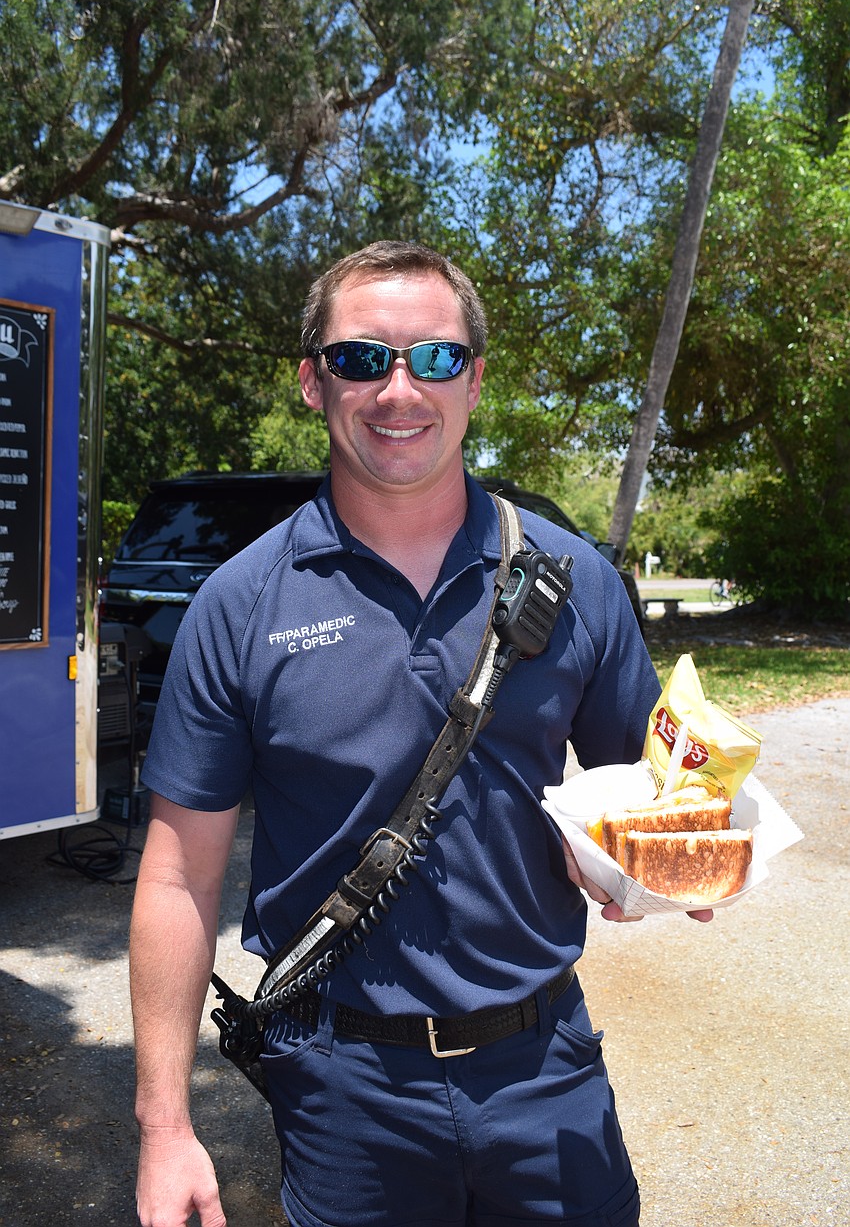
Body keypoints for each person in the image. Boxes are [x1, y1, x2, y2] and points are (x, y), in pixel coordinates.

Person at [130, 240, 711, 1227]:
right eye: (362, 358)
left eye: (434, 358)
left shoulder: (577, 583)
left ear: (474, 380)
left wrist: (673, 864)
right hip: (343, 1087)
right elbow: (177, 879)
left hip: (545, 1068)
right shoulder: (239, 604)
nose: (399, 388)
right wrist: (164, 1125)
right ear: (313, 383)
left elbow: (659, 798)